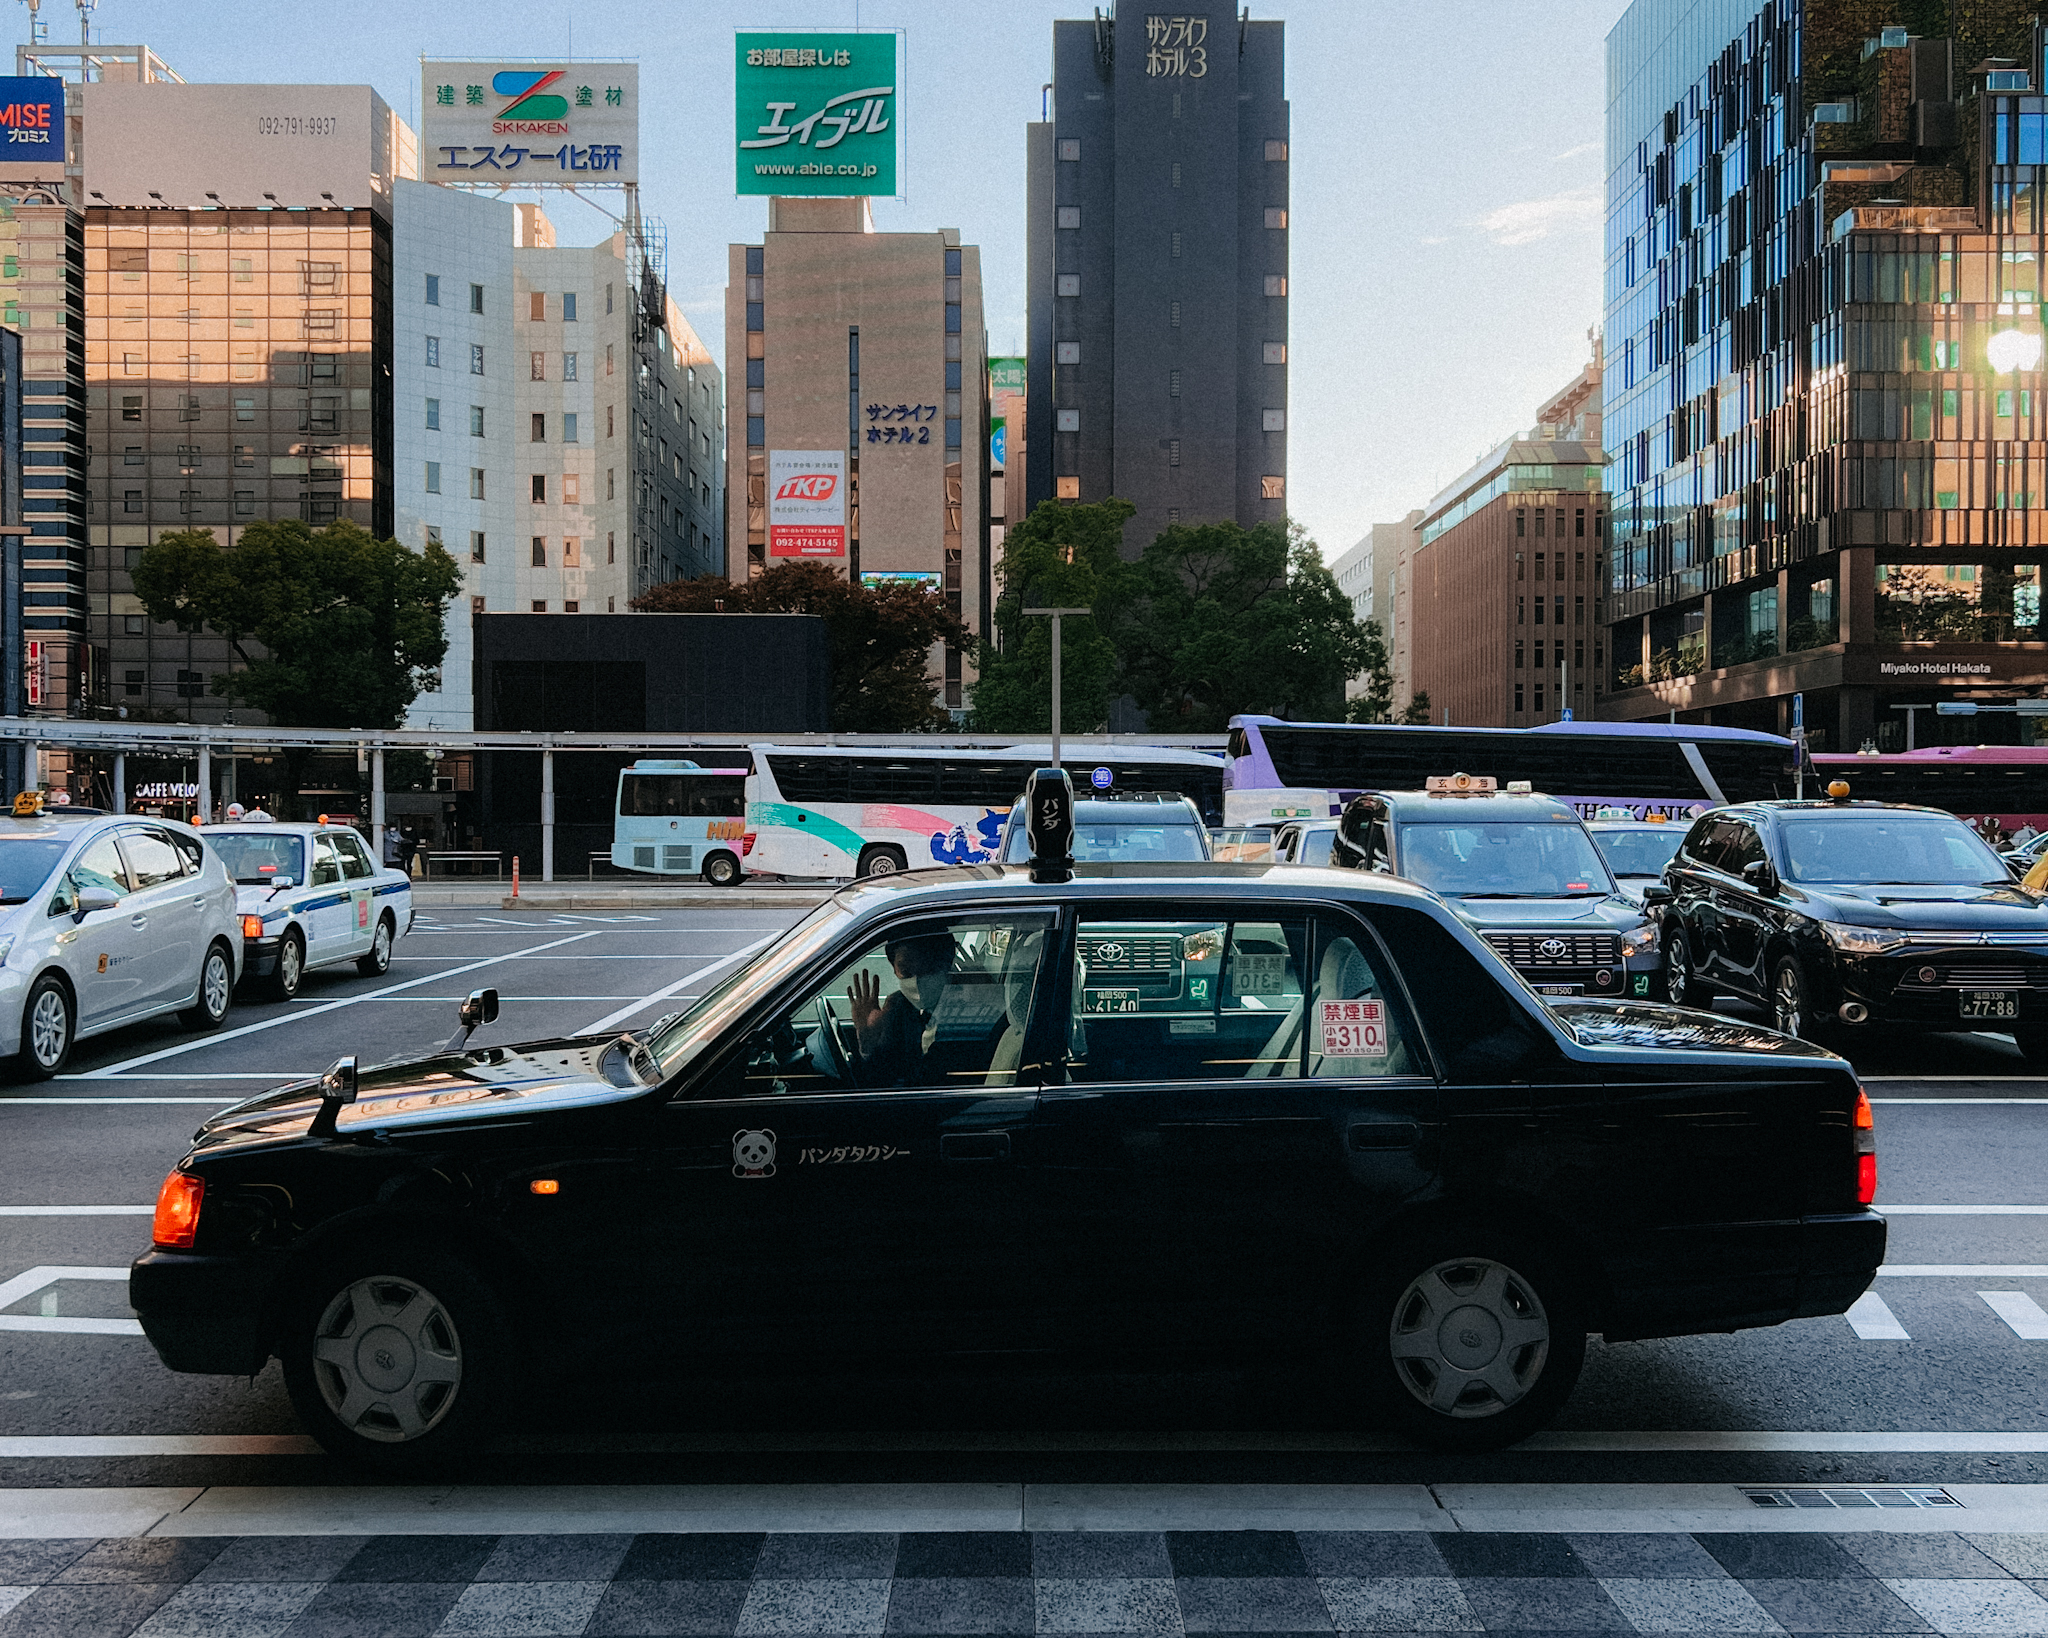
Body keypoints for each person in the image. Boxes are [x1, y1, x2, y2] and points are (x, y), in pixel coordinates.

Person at [845, 931, 956, 1087]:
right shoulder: (897, 1006)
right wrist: (869, 1043)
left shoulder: (968, 1011)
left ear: (947, 964)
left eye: (928, 970)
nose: (917, 981)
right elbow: (884, 1075)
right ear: (894, 968)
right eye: (906, 971)